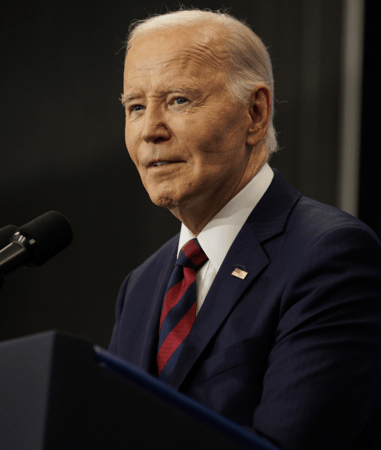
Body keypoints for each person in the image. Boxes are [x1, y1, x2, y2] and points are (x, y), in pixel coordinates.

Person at [109, 9, 381, 450]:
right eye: (135, 107)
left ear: (255, 114)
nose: (149, 131)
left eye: (178, 100)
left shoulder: (329, 255)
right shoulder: (141, 286)